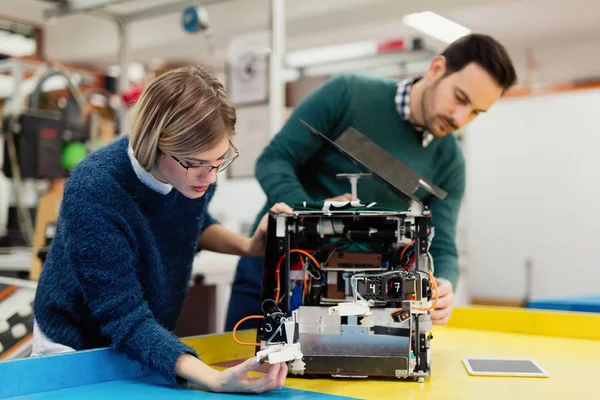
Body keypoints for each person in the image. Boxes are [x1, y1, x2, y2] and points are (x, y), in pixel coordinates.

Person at [225, 33, 517, 331]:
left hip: (355, 293)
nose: (460, 117)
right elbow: (274, 160)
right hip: (277, 270)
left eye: (476, 112)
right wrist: (310, 214)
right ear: (436, 69)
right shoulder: (349, 94)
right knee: (239, 368)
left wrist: (444, 284)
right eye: (460, 98)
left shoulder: (449, 160)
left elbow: (440, 241)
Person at [32, 66, 293, 394]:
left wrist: (248, 247)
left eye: (219, 160)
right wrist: (213, 378)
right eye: (197, 163)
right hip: (75, 344)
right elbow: (125, 318)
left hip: (142, 339)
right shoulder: (96, 188)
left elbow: (193, 224)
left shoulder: (193, 178)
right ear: (155, 142)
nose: (210, 177)